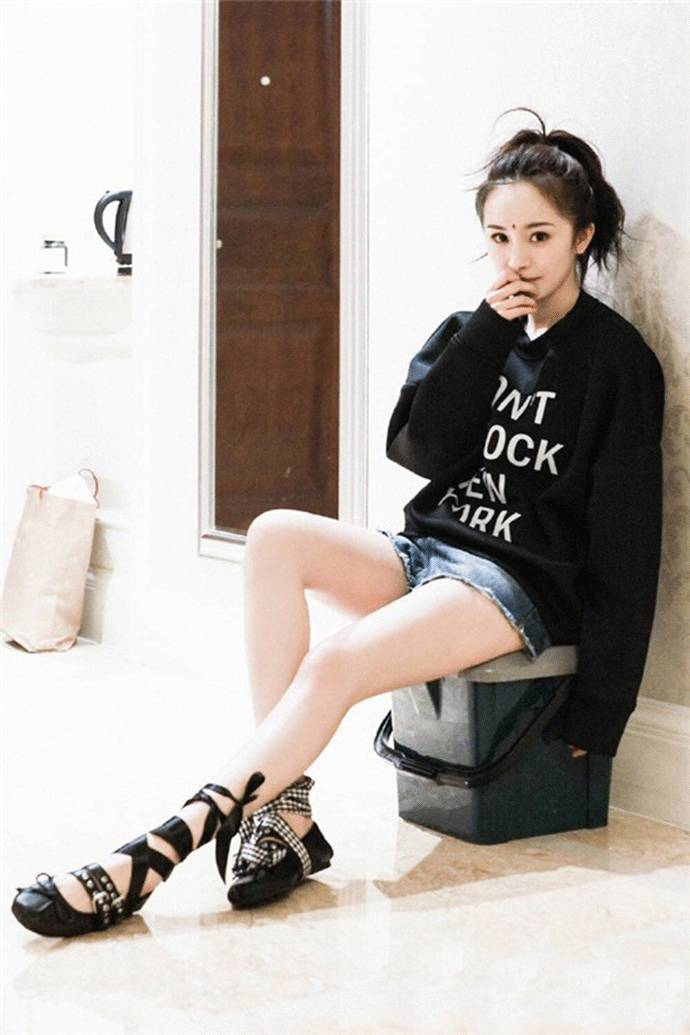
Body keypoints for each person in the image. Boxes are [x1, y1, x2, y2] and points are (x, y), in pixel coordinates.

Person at [12, 106, 665, 938]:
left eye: (538, 237)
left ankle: (158, 850)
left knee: (336, 661)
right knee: (275, 535)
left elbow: (628, 542)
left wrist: (601, 711)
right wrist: (487, 333)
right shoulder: (473, 331)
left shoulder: (616, 361)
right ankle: (283, 813)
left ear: (582, 237)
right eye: (500, 238)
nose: (517, 258)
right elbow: (420, 448)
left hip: (515, 585)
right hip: (433, 551)